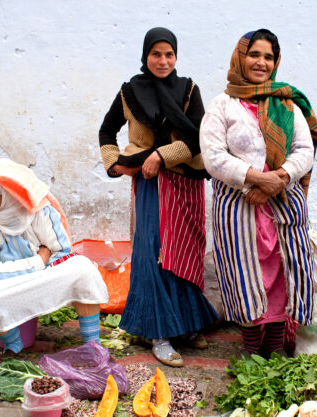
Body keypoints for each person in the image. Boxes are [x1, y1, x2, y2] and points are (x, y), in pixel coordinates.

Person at [98, 27, 217, 367]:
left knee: (185, 251)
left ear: (176, 57)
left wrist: (162, 155)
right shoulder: (130, 92)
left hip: (185, 180)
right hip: (150, 184)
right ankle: (158, 332)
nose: (163, 61)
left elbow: (200, 138)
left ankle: (186, 324)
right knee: (153, 251)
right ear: (145, 56)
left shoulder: (189, 90)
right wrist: (115, 165)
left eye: (169, 54)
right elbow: (107, 130)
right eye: (156, 54)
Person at [200, 29, 317, 358]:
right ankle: (252, 350)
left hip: (282, 206)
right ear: (240, 56)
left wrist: (278, 179)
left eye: (268, 57)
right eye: (254, 54)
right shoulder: (222, 105)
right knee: (243, 274)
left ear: (275, 62)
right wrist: (254, 179)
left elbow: (303, 150)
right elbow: (213, 157)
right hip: (238, 207)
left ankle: (276, 347)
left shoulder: (287, 104)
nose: (261, 63)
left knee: (284, 272)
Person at [0, 157, 109, 359]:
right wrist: (37, 262)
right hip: (7, 281)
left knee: (83, 269)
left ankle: (92, 346)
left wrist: (40, 267)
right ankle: (13, 343)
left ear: (8, 193)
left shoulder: (39, 211)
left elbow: (61, 251)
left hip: (43, 276)